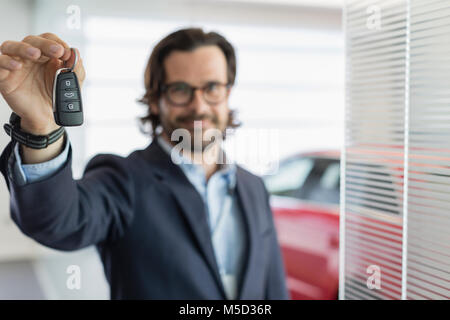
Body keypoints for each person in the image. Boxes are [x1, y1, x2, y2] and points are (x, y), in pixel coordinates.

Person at [0, 28, 288, 299]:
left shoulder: (253, 187)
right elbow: (56, 222)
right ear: (155, 99)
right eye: (180, 89)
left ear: (227, 92)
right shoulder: (123, 180)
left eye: (212, 87)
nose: (199, 106)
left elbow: (273, 286)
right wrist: (41, 129)